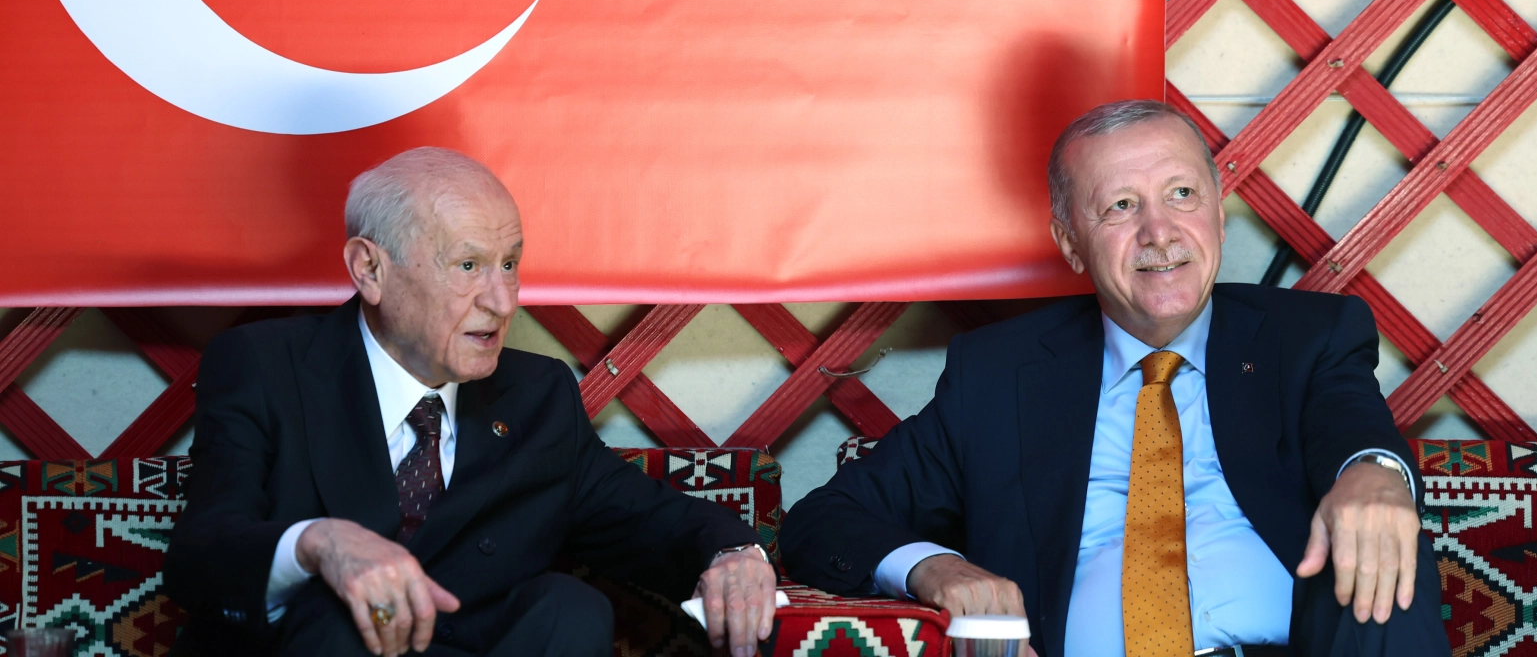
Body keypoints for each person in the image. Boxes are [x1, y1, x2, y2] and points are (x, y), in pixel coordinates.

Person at [780, 100, 1447, 657]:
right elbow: (822, 521)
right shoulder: (999, 377)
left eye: (1182, 195)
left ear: (1219, 214)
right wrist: (936, 567)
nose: (1159, 232)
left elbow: (1350, 424)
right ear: (1070, 242)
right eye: (1122, 206)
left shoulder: (1306, 337)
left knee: (1387, 540)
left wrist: (1375, 473)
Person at [168, 147, 777, 657]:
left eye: (509, 264)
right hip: (320, 646)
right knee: (342, 617)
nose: (503, 301)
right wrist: (318, 543)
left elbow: (645, 518)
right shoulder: (267, 367)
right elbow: (201, 556)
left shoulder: (538, 395)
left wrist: (732, 554)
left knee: (569, 607)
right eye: (468, 265)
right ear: (369, 269)